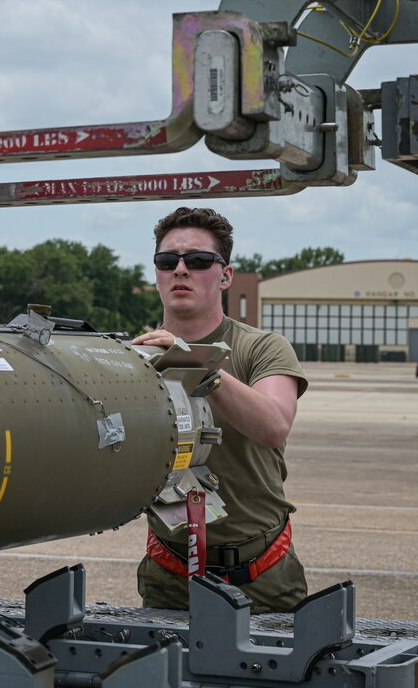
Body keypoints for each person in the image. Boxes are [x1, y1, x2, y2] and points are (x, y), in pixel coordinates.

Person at [132, 207, 309, 613]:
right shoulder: (136, 356)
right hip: (169, 574)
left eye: (197, 260)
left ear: (225, 276)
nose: (180, 270)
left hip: (261, 575)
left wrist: (193, 362)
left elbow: (274, 426)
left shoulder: (261, 348)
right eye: (167, 261)